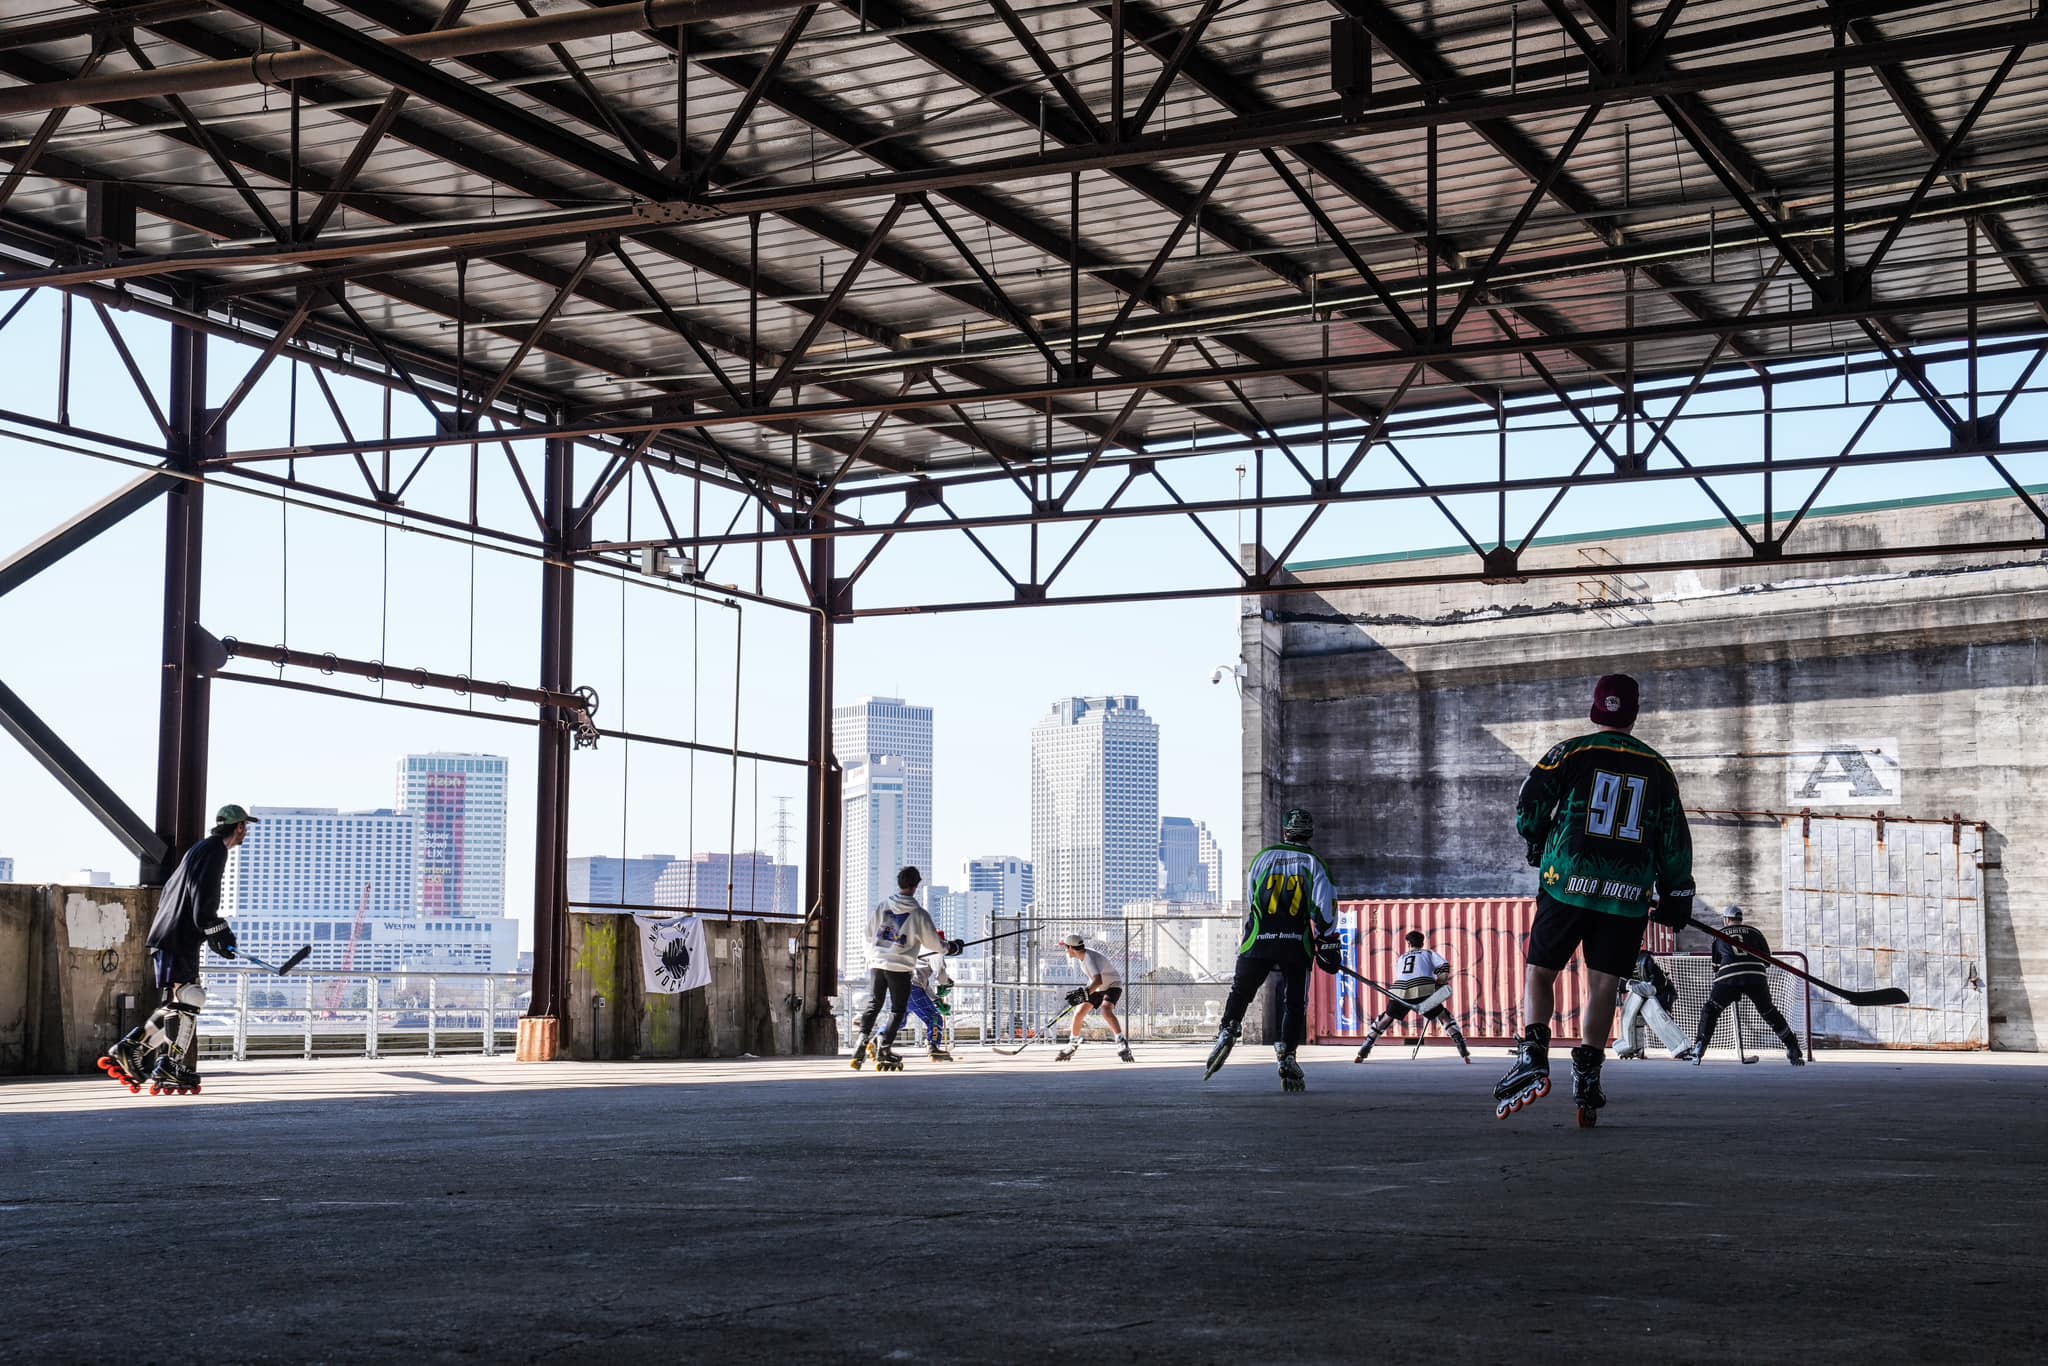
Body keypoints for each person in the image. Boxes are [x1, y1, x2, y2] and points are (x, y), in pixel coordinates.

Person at [1498, 675, 1695, 1125]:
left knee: (1540, 971)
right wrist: (1677, 889)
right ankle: (1587, 1076)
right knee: (1604, 985)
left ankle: (1533, 1052)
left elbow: (1528, 807)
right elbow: (1672, 837)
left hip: (1567, 881)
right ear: (1634, 713)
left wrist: (1537, 840)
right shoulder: (1658, 767)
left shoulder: (1569, 752)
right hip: (1626, 894)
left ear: (1595, 709)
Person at [100, 804, 255, 1096]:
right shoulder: (215, 851)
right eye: (245, 826)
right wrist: (214, 927)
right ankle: (170, 1064)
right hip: (177, 936)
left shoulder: (199, 849)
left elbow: (182, 892)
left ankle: (132, 1047)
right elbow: (202, 893)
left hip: (170, 934)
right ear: (239, 827)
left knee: (179, 999)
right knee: (190, 997)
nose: (246, 832)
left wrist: (212, 931)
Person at [1203, 807, 1340, 1092]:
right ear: (1310, 833)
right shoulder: (1315, 863)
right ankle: (1287, 1054)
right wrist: (1327, 940)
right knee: (1294, 1002)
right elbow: (1324, 908)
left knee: (1241, 991)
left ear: (1284, 831)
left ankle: (1228, 1028)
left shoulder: (1261, 859)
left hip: (1258, 940)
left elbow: (1253, 898)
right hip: (1295, 942)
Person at [849, 866, 960, 1071]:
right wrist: (951, 947)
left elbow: (867, 934)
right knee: (898, 1010)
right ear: (917, 886)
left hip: (876, 963)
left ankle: (861, 1043)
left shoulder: (883, 906)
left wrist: (873, 956)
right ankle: (885, 1050)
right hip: (899, 967)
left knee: (874, 1003)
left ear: (899, 883)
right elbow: (935, 945)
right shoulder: (918, 914)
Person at [1692, 906, 1805, 1065]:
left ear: (1726, 919)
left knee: (1711, 1009)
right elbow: (1767, 961)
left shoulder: (1718, 936)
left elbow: (1716, 968)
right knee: (1769, 1011)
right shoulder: (1755, 932)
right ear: (1741, 919)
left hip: (1728, 978)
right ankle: (1793, 1048)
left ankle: (1699, 1047)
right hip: (1756, 976)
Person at [1352, 930, 1471, 1063]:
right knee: (1444, 1016)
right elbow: (1444, 966)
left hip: (1399, 992)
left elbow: (1404, 976)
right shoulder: (1428, 953)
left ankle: (1364, 1049)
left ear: (1408, 943)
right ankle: (1462, 1047)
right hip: (1423, 990)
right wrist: (1440, 982)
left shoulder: (1401, 958)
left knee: (1385, 1019)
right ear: (1422, 942)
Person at [1054, 933, 1132, 1062]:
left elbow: (1098, 980)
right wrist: (1084, 992)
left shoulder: (1088, 958)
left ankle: (1121, 1041)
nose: (1065, 950)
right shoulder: (1082, 958)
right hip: (1098, 987)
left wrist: (1084, 993)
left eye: (1066, 947)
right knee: (1079, 1013)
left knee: (1106, 1010)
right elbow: (1095, 981)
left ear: (1071, 948)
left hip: (1112, 984)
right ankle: (1072, 1045)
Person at [1613, 949, 1695, 1061]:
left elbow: (1657, 985)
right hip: (1641, 994)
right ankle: (1633, 1047)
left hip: (1660, 994)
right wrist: (1627, 986)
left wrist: (1629, 985)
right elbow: (1620, 986)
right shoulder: (1619, 963)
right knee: (1631, 1013)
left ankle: (1681, 1046)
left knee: (1655, 1012)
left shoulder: (1645, 959)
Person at [907, 958, 955, 1062]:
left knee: (897, 1019)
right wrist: (947, 983)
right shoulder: (936, 946)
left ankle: (880, 1039)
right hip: (913, 988)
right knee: (935, 1018)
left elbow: (924, 984)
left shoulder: (914, 946)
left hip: (899, 985)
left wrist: (937, 1000)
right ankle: (933, 1046)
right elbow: (940, 972)